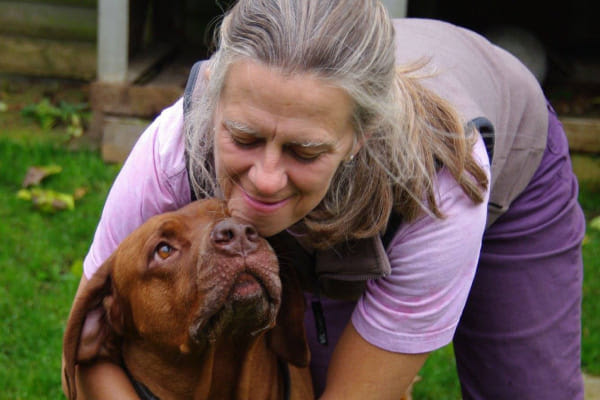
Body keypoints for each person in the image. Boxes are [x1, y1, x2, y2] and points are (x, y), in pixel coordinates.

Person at [64, 0, 585, 398]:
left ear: (360, 135)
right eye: (244, 138)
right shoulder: (173, 148)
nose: (265, 180)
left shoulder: (441, 184)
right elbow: (88, 343)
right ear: (216, 108)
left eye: (302, 150)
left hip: (506, 165)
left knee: (524, 387)